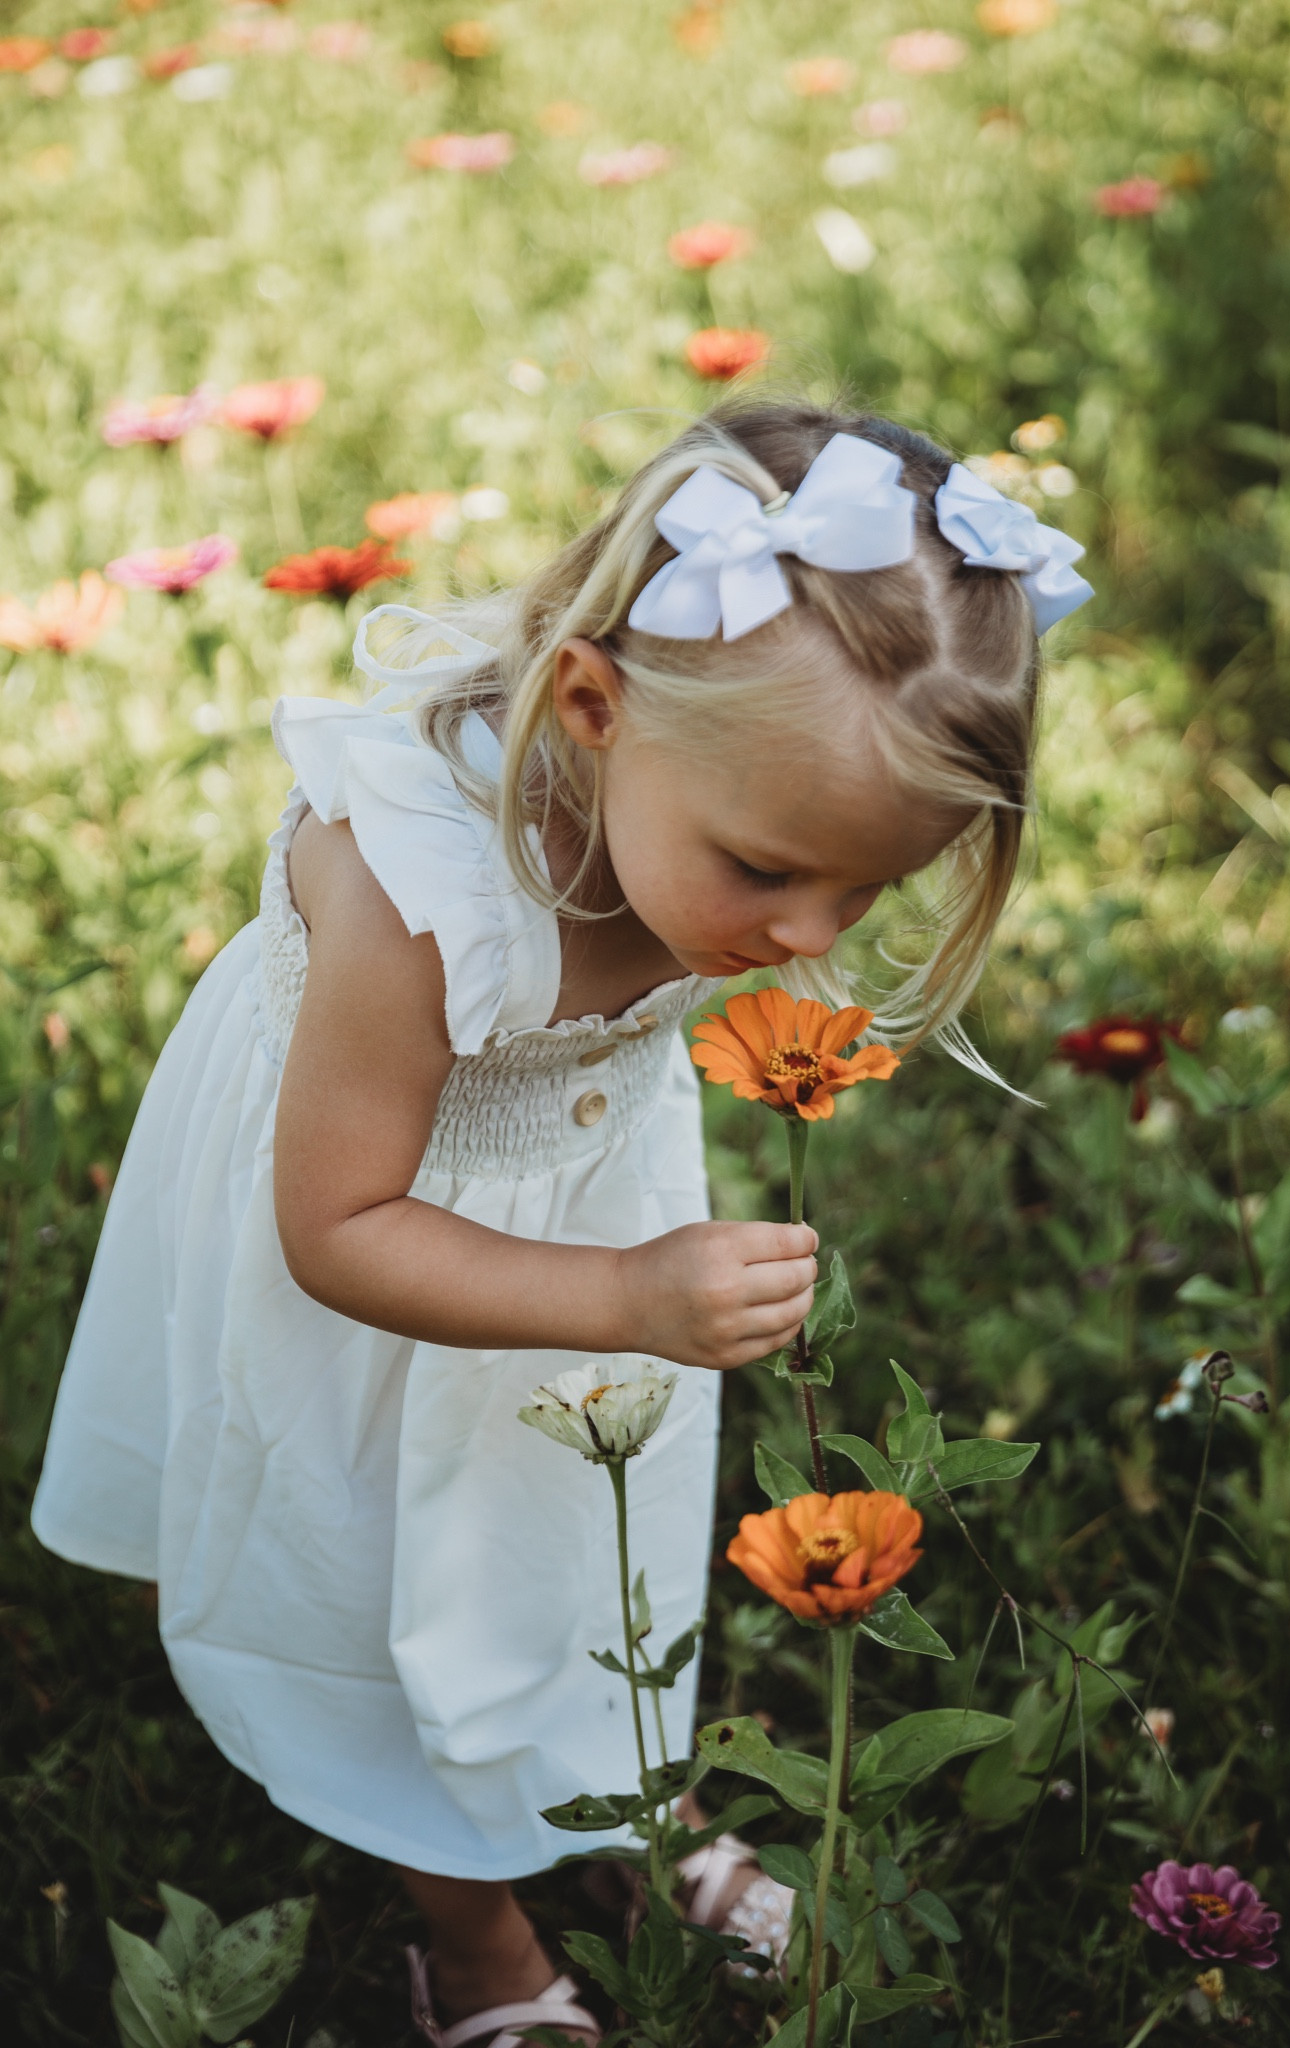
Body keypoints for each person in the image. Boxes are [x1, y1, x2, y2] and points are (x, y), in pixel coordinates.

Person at [31, 399, 1089, 2046]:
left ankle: (621, 1813)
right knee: (388, 1597)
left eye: (864, 891)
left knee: (571, 1557)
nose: (805, 934)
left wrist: (626, 1280)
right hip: (380, 1281)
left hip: (596, 1242)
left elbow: (717, 931)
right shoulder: (410, 886)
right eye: (766, 870)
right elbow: (339, 1227)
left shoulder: (700, 810)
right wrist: (623, 1296)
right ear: (594, 707)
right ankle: (472, 1938)